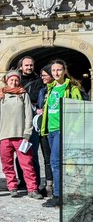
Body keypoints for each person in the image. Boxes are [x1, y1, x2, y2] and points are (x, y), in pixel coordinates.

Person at [0, 70, 43, 199]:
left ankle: (32, 189)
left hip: (21, 136)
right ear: (7, 80)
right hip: (5, 135)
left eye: (16, 80)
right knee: (7, 164)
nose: (14, 82)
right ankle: (12, 187)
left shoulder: (23, 94)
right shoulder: (0, 95)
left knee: (27, 164)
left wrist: (27, 132)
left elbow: (28, 115)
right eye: (11, 80)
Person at [40, 60, 83, 208]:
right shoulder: (50, 88)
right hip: (51, 130)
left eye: (59, 70)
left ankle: (58, 196)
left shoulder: (71, 88)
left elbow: (81, 112)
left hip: (62, 129)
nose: (56, 73)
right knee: (57, 163)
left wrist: (73, 131)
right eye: (54, 70)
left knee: (56, 162)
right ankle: (62, 193)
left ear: (64, 70)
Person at [16, 56, 43, 192]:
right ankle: (22, 180)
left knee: (31, 153)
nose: (29, 67)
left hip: (31, 120)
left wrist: (23, 95)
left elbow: (35, 98)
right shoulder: (16, 80)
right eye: (26, 65)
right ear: (21, 66)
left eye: (31, 65)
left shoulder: (38, 81)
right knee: (19, 152)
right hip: (17, 121)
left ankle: (35, 182)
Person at [36, 65, 54, 194]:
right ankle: (49, 185)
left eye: (44, 75)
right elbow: (39, 105)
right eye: (41, 75)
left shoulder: (59, 90)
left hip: (56, 128)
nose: (42, 78)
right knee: (47, 159)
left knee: (58, 159)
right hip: (44, 127)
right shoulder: (43, 91)